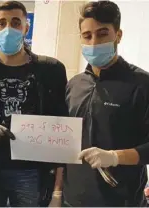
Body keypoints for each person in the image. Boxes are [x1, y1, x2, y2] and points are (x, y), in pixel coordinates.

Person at [0, 1, 68, 207]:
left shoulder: (51, 70)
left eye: (16, 23)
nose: (8, 29)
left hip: (32, 171)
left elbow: (62, 126)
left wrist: (58, 191)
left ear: (26, 27)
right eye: (1, 23)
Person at [64, 1, 149, 206]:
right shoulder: (74, 85)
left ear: (118, 35)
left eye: (102, 34)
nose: (94, 42)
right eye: (87, 36)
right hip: (73, 199)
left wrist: (115, 157)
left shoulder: (141, 84)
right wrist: (57, 193)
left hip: (120, 200)